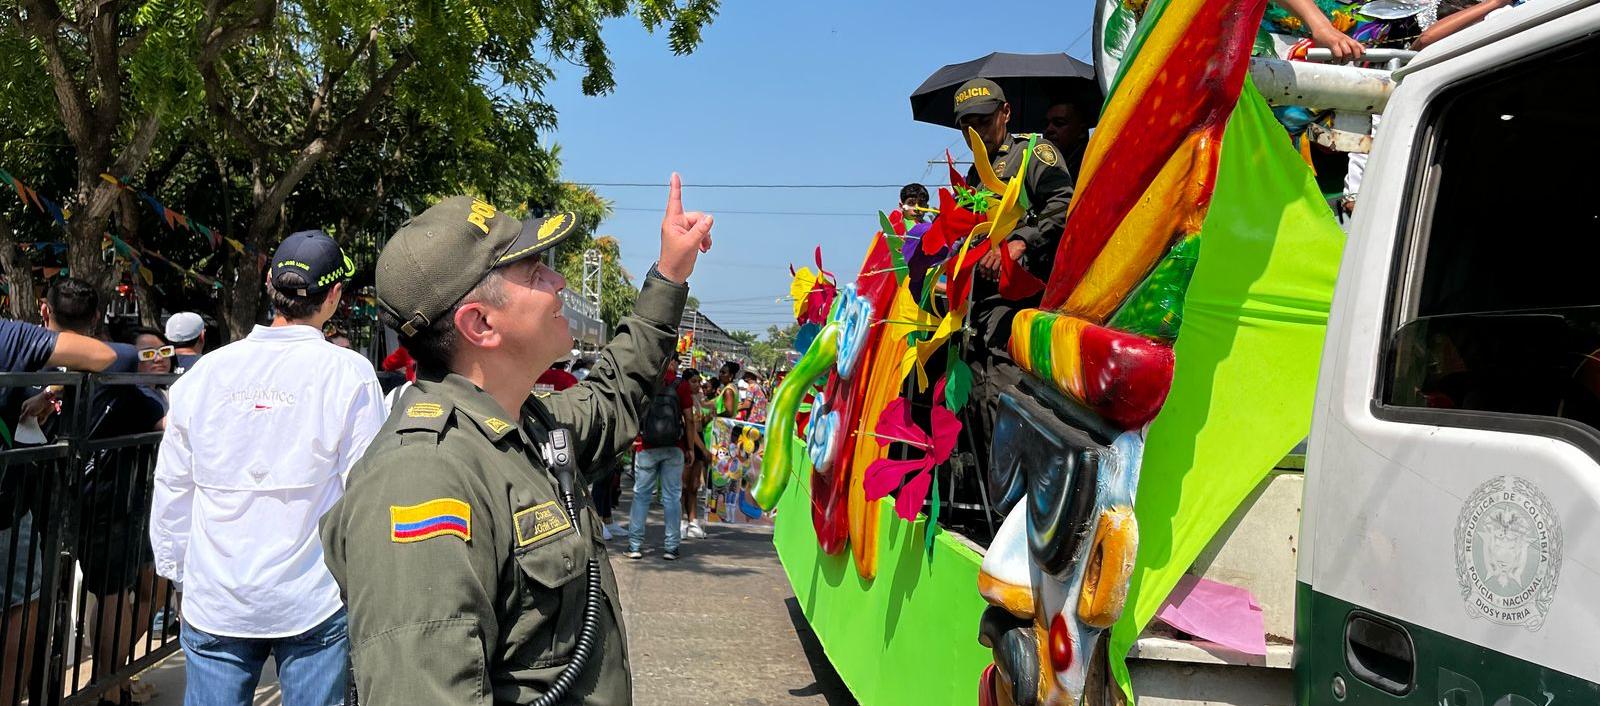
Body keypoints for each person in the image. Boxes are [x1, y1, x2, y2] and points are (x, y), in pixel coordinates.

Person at [320, 175, 712, 705]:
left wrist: (669, 273)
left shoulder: (523, 424)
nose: (558, 281)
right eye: (534, 271)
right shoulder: (421, 480)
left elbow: (614, 394)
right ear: (480, 323)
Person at [150, 229, 383, 706]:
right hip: (312, 597)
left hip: (217, 593)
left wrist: (177, 572)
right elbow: (365, 491)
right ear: (334, 296)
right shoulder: (349, 373)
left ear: (270, 287)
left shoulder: (208, 372)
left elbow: (174, 483)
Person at [951, 79, 1076, 485]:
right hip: (978, 303)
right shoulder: (973, 173)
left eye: (984, 122)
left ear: (1005, 113)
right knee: (973, 397)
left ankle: (1014, 502)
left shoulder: (1033, 155)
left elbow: (1062, 203)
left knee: (1005, 396)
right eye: (967, 127)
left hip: (1025, 294)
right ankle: (985, 499)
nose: (977, 134)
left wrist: (1020, 241)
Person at [0, 318, 114, 706]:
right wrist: (51, 389)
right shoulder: (9, 336)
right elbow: (102, 355)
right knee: (22, 605)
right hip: (4, 516)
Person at [677, 368, 711, 539]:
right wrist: (702, 449)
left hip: (699, 443)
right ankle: (682, 519)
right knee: (683, 484)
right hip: (688, 442)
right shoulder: (684, 399)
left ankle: (693, 520)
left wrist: (708, 418)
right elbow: (690, 426)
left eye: (699, 381)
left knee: (695, 485)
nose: (697, 385)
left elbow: (699, 424)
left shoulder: (698, 399)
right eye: (693, 381)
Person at [1042, 93, 1095, 180]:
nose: (1049, 129)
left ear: (1082, 131)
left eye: (1059, 123)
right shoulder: (1041, 164)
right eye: (1046, 124)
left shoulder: (1089, 167)